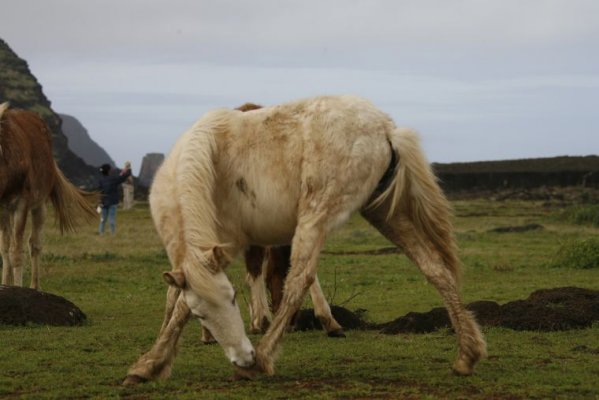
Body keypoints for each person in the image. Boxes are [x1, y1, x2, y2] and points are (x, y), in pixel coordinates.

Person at [98, 163, 131, 235]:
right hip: (112, 202)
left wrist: (100, 202)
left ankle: (101, 233)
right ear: (109, 171)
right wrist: (128, 170)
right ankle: (112, 234)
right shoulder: (112, 179)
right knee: (111, 219)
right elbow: (121, 178)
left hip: (103, 202)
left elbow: (99, 192)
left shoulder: (101, 180)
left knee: (103, 219)